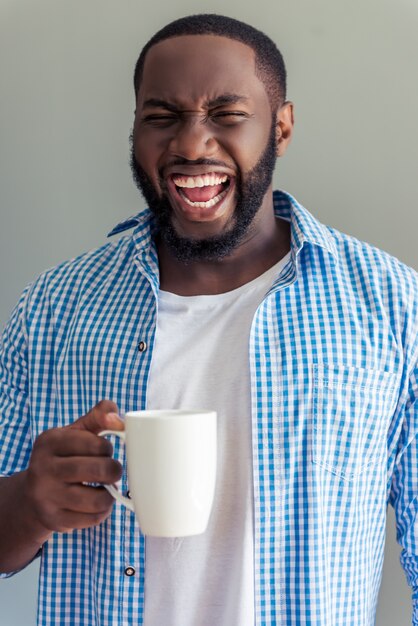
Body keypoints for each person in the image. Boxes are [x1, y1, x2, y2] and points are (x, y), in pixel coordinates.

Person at [0, 13, 417, 626]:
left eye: (227, 115)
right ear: (135, 128)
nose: (192, 145)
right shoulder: (55, 309)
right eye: (162, 117)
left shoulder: (391, 307)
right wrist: (29, 504)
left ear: (281, 127)